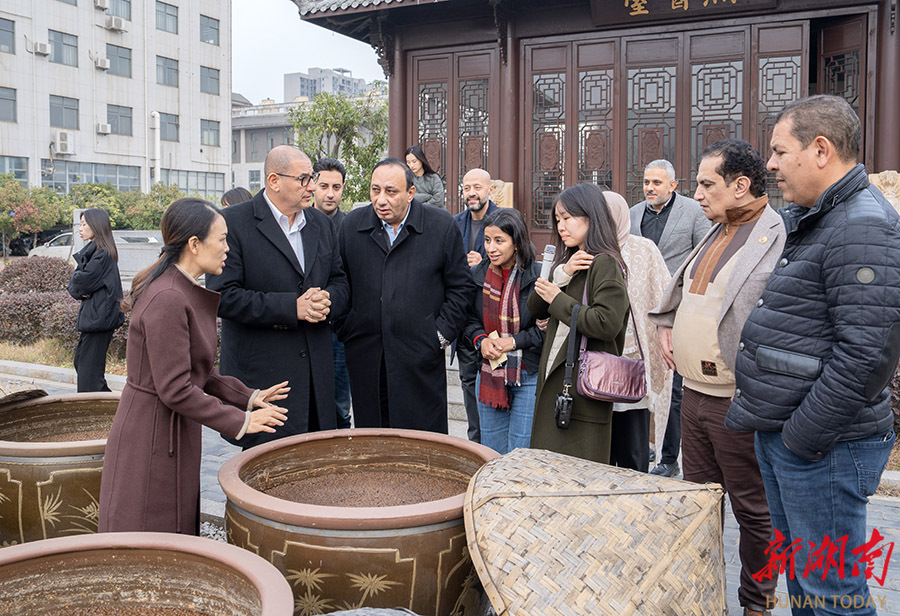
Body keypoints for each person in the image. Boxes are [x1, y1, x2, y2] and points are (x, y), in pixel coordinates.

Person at [727, 95, 900, 616]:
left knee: (832, 595)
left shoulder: (861, 225)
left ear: (821, 150)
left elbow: (867, 354)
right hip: (791, 433)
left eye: (780, 152)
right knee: (805, 582)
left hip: (822, 445)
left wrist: (801, 438)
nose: (770, 164)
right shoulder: (822, 217)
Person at [649, 139, 784, 616]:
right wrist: (666, 324)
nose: (698, 194)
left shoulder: (777, 236)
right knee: (700, 506)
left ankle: (756, 604)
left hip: (737, 401)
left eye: (708, 184)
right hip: (693, 395)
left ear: (741, 186)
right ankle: (703, 600)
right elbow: (687, 293)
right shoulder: (717, 230)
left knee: (753, 511)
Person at [99, 198, 288, 534]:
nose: (227, 248)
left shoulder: (178, 288)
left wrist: (248, 397)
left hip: (167, 427)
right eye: (222, 239)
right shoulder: (168, 297)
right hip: (152, 434)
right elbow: (175, 388)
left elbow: (197, 370)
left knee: (169, 530)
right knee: (148, 535)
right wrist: (241, 421)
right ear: (194, 244)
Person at [207, 145, 348, 449]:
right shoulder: (232, 223)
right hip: (264, 377)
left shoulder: (321, 224)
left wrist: (328, 299)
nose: (312, 187)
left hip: (316, 375)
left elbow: (340, 280)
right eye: (304, 179)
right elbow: (223, 296)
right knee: (264, 466)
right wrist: (291, 308)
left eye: (312, 178)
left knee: (314, 462)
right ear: (274, 181)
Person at [337, 158, 475, 433]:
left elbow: (461, 287)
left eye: (391, 191)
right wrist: (347, 327)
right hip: (366, 356)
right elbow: (339, 282)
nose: (381, 200)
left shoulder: (440, 225)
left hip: (420, 356)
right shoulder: (352, 226)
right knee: (373, 439)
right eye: (375, 190)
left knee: (421, 442)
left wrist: (439, 334)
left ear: (411, 193)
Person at [527, 183, 630, 463]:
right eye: (558, 219)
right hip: (559, 383)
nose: (561, 226)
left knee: (575, 474)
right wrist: (561, 273)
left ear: (591, 216)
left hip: (581, 391)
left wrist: (558, 299)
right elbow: (534, 308)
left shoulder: (605, 263)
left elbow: (606, 323)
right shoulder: (571, 260)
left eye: (568, 218)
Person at [631, 160, 711, 477]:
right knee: (641, 382)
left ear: (673, 185)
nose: (649, 188)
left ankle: (668, 458)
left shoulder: (693, 212)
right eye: (646, 182)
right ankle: (645, 444)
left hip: (677, 312)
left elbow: (703, 257)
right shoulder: (633, 214)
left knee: (673, 389)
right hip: (639, 313)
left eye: (657, 183)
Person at [462, 208, 543, 454]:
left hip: (527, 373)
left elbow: (545, 329)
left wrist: (514, 342)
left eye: (499, 241)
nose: (491, 248)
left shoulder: (538, 276)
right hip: (490, 371)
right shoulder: (477, 274)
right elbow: (467, 318)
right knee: (492, 452)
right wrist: (481, 340)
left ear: (516, 242)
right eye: (487, 240)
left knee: (520, 453)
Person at [604, 191, 671, 472]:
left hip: (634, 363)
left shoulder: (645, 250)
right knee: (601, 452)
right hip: (598, 362)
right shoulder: (584, 251)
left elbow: (665, 296)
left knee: (634, 447)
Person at [453, 168, 500, 443]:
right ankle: (475, 443)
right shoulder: (454, 223)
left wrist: (483, 264)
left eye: (477, 188)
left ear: (490, 190)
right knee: (468, 382)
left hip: (495, 320)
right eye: (467, 187)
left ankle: (494, 445)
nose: (472, 193)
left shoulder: (504, 220)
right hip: (464, 319)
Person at [67, 208, 125, 392]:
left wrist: (79, 285)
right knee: (83, 365)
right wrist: (79, 286)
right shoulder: (94, 251)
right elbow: (77, 284)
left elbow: (80, 281)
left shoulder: (103, 254)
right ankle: (109, 406)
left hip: (100, 320)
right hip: (95, 319)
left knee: (89, 373)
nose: (80, 228)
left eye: (84, 224)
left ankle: (103, 406)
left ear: (96, 225)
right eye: (81, 224)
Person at [313, 156, 351, 429]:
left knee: (340, 401)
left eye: (336, 187)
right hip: (305, 323)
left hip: (341, 328)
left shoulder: (351, 226)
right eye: (324, 186)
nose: (330, 193)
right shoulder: (301, 222)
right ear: (312, 185)